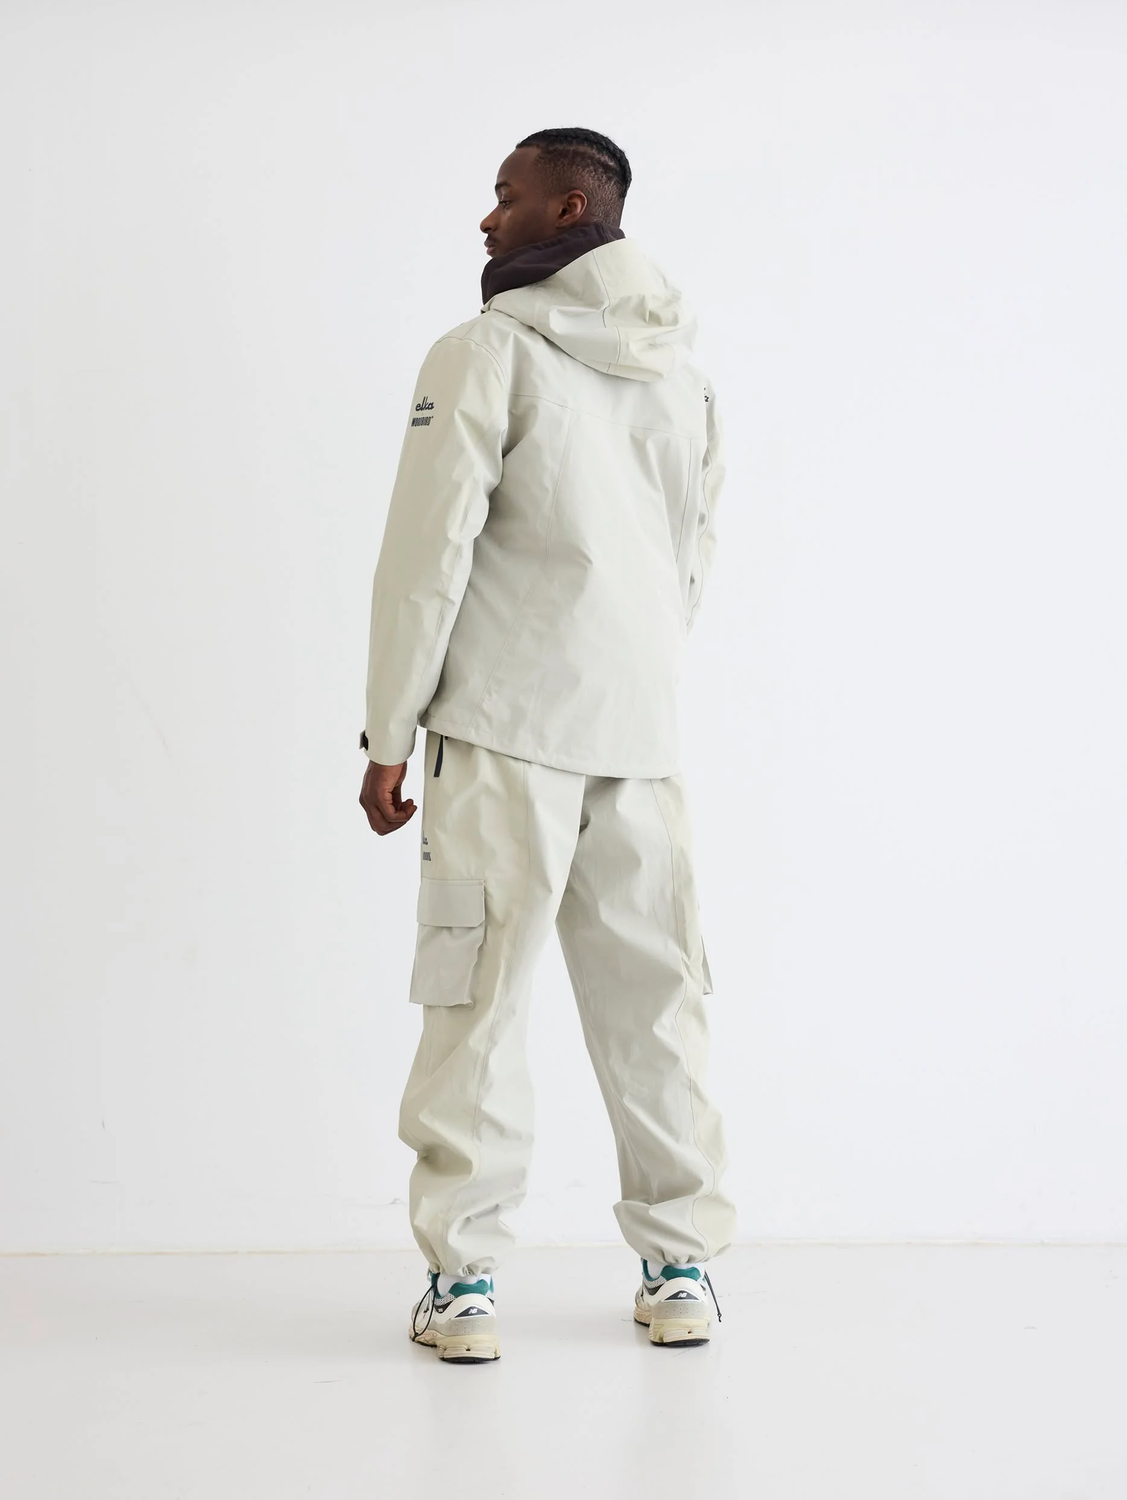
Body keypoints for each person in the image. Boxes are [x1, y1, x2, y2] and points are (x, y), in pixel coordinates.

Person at [359, 127, 734, 1363]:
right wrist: (637, 675)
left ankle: (463, 1282)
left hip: (504, 729)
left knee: (474, 1000)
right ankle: (681, 1268)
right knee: (657, 1002)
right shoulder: (683, 373)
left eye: (506, 196)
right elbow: (690, 554)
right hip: (641, 729)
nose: (487, 220)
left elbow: (428, 553)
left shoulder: (485, 352)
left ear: (571, 208)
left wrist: (390, 728)